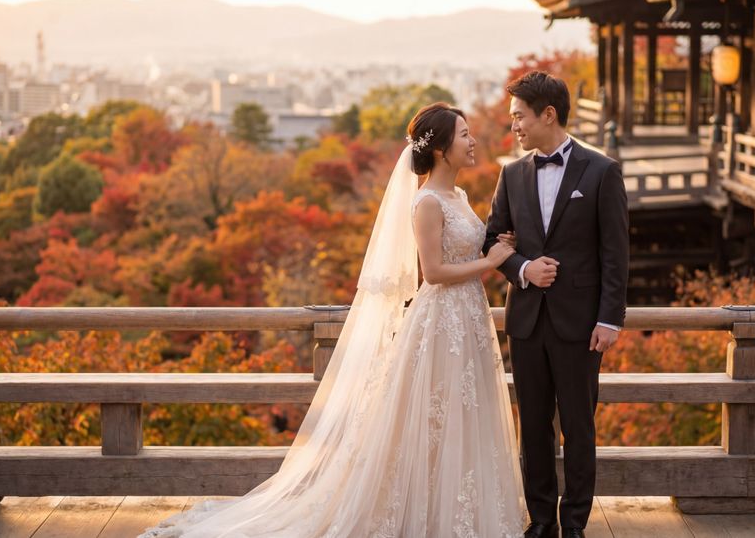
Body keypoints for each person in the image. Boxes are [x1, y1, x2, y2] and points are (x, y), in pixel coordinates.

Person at [140, 102, 526, 537]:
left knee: (463, 413)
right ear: (439, 149)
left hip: (468, 319)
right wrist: (490, 263)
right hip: (440, 324)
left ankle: (455, 513)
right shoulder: (427, 203)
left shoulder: (460, 197)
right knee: (433, 416)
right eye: (464, 134)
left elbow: (470, 250)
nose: (473, 141)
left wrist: (498, 247)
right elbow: (433, 273)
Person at [484, 71, 629, 538]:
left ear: (548, 114)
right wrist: (524, 268)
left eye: (519, 117)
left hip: (582, 324)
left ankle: (575, 525)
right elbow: (493, 240)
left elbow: (616, 253)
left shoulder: (602, 171)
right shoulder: (511, 174)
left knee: (579, 428)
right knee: (534, 428)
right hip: (526, 322)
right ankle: (541, 520)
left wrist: (610, 318)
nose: (515, 128)